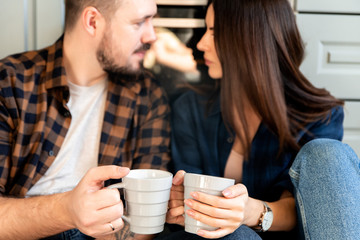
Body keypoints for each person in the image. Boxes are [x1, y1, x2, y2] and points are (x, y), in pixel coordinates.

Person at [163, 0, 344, 239]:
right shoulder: (191, 109)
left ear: (250, 41)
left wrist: (251, 213)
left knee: (330, 152)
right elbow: (189, 205)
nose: (201, 43)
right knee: (238, 236)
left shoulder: (319, 116)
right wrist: (177, 203)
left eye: (214, 32)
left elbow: (312, 209)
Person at [0, 0, 170, 239]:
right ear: (92, 22)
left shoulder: (147, 94)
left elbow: (146, 220)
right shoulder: (9, 82)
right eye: (139, 22)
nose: (152, 36)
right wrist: (67, 210)